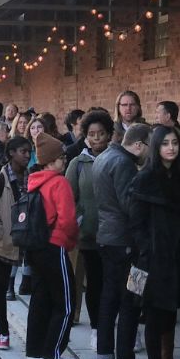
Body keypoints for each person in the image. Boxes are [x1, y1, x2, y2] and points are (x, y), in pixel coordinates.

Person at [126, 126, 180, 359]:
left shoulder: (179, 177)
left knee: (168, 316)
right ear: (155, 147)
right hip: (152, 258)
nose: (171, 148)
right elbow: (136, 222)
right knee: (153, 316)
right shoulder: (145, 179)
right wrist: (149, 250)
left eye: (175, 143)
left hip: (176, 255)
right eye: (165, 143)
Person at [92, 122, 150, 359]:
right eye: (150, 145)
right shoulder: (125, 164)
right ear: (138, 145)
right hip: (126, 241)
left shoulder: (104, 156)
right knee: (131, 300)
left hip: (107, 237)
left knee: (109, 299)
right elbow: (131, 205)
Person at [23, 133, 78, 359]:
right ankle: (52, 356)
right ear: (51, 160)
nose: (64, 160)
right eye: (61, 157)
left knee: (39, 301)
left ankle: (34, 354)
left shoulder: (34, 181)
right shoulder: (59, 182)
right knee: (65, 303)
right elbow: (67, 221)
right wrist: (71, 242)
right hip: (55, 246)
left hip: (35, 247)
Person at [0, 136, 31, 351]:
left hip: (29, 240)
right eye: (23, 151)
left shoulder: (33, 178)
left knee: (34, 286)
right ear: (11, 153)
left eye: (29, 151)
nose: (27, 156)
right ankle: (3, 332)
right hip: (5, 240)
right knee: (1, 286)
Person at [65, 108, 113, 331]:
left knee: (114, 284)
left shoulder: (117, 159)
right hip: (89, 234)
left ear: (109, 134)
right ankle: (97, 328)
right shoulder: (78, 163)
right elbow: (69, 198)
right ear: (85, 136)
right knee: (93, 284)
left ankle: (114, 326)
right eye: (92, 134)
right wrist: (78, 220)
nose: (96, 138)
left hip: (114, 234)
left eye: (101, 133)